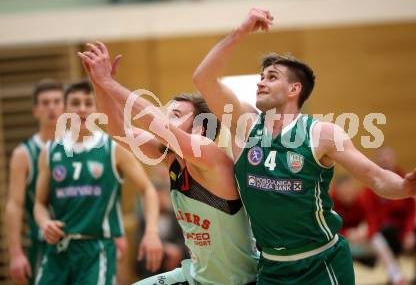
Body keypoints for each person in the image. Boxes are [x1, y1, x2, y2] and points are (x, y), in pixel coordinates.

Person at [192, 8, 416, 284]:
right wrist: (241, 30)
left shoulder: (322, 134)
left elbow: (375, 177)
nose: (261, 82)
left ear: (294, 89)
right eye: (261, 76)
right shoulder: (245, 125)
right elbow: (203, 78)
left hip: (321, 263)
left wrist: (404, 188)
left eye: (271, 77)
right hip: (271, 266)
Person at [78, 41, 258, 285]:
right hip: (195, 277)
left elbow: (157, 125)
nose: (163, 116)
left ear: (200, 127)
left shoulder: (209, 153)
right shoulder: (171, 158)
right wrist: (99, 83)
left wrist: (111, 83)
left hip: (238, 281)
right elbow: (118, 131)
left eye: (174, 115)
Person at [34, 80, 163, 285]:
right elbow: (39, 203)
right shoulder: (49, 151)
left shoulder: (113, 147)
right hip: (58, 249)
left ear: (96, 109)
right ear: (65, 109)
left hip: (97, 250)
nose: (82, 109)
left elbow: (148, 189)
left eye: (88, 103)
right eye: (75, 103)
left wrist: (152, 232)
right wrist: (44, 223)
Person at [5, 81, 64, 285]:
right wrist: (15, 252)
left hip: (82, 241)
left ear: (65, 107)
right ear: (35, 110)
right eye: (45, 103)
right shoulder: (24, 154)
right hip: (43, 243)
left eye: (57, 101)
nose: (51, 107)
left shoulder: (81, 147)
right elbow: (14, 204)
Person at [359, 146, 416, 285]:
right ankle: (395, 275)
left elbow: (412, 211)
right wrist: (374, 240)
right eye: (382, 159)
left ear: (393, 160)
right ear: (377, 162)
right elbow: (372, 220)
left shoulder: (405, 181)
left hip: (407, 235)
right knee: (386, 231)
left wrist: (409, 232)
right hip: (390, 238)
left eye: (388, 158)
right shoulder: (369, 190)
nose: (386, 162)